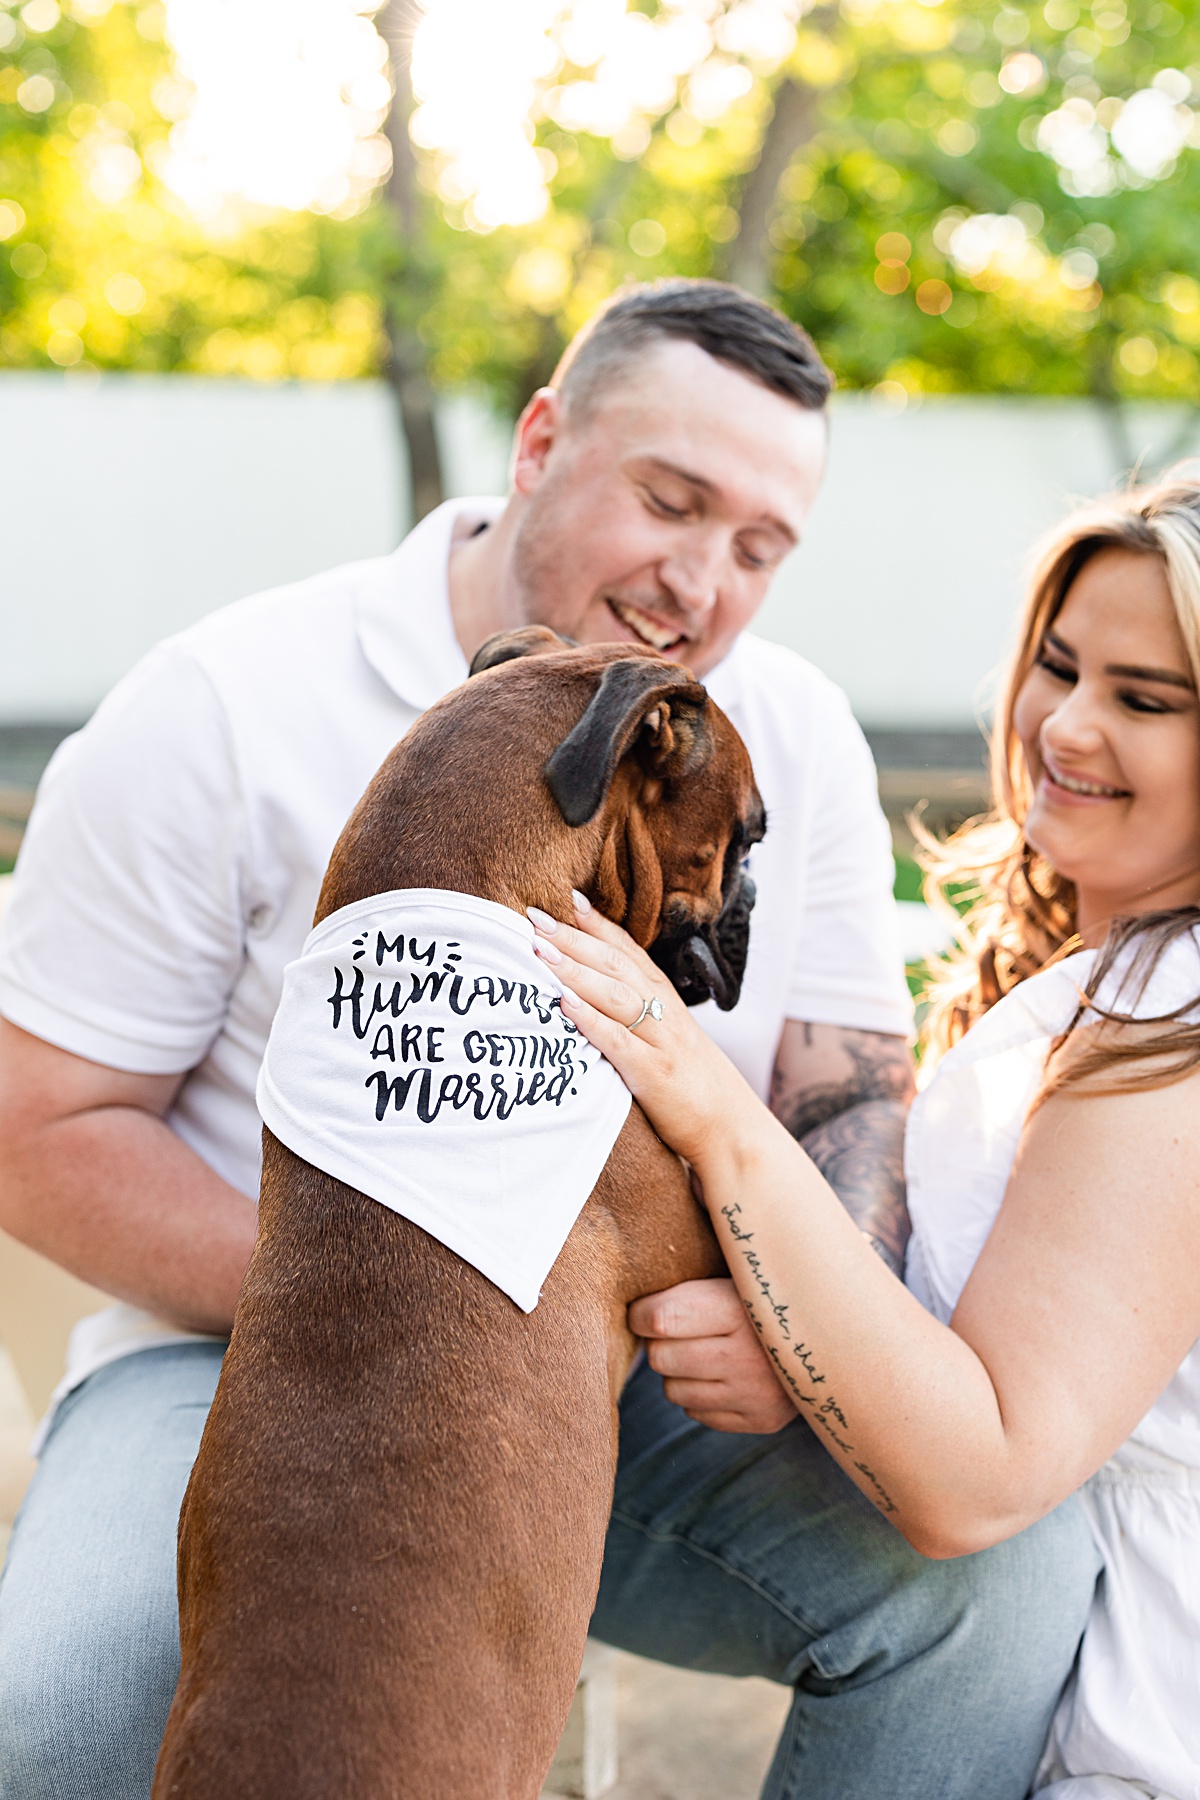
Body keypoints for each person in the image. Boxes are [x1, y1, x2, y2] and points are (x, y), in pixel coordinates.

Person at [0, 280, 1095, 1799]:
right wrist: (410, 1295)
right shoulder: (219, 705)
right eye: (671, 501)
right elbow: (38, 1127)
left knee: (999, 1594)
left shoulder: (784, 728)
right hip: (244, 1364)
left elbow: (851, 1091)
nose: (702, 582)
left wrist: (799, 1323)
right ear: (536, 444)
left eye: (760, 548)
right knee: (59, 1724)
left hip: (636, 1392)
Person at [533, 469, 1200, 1799]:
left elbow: (983, 1468)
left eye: (1146, 700)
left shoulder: (1173, 1019)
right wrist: (798, 1327)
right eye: (1058, 667)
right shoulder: (1109, 963)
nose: (1066, 726)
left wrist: (707, 1099)